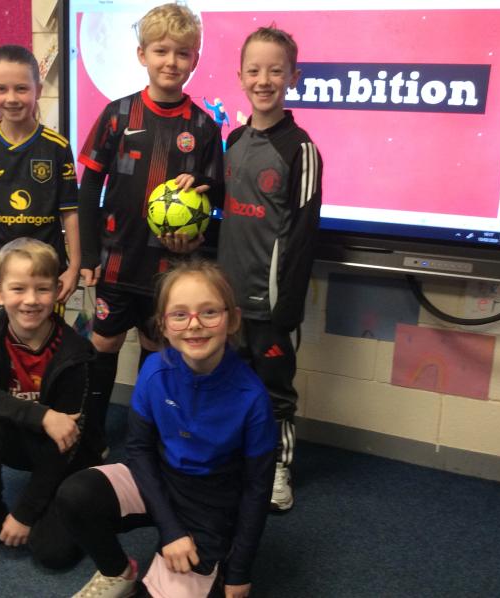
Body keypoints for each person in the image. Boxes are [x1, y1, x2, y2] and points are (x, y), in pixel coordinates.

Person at [41, 260, 276, 598]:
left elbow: (257, 489)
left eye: (209, 312)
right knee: (75, 497)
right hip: (158, 480)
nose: (194, 325)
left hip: (210, 503)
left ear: (233, 319)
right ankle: (120, 573)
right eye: (180, 314)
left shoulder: (252, 397)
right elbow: (139, 450)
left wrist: (240, 571)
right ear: (163, 325)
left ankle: (206, 563)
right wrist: (170, 530)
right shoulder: (154, 371)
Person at [77, 3, 224, 453]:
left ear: (194, 60)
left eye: (182, 53)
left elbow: (217, 196)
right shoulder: (118, 115)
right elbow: (89, 186)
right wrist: (88, 256)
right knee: (103, 343)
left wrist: (198, 224)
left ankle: (144, 438)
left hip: (169, 267)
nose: (171, 62)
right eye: (161, 51)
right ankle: (92, 435)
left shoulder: (203, 126)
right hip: (116, 259)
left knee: (157, 349)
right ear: (142, 55)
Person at [0, 238, 102, 566]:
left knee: (53, 553)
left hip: (61, 451)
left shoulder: (76, 353)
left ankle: (60, 505)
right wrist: (43, 416)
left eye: (42, 289)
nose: (30, 300)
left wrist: (25, 514)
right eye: (18, 289)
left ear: (57, 291)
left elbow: (66, 442)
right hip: (21, 434)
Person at [217, 27, 323, 511]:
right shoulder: (235, 139)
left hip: (272, 303)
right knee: (231, 384)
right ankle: (239, 459)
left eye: (276, 71)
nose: (264, 80)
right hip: (228, 300)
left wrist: (288, 307)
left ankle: (279, 467)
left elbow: (303, 235)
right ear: (240, 76)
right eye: (254, 70)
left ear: (293, 77)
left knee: (274, 390)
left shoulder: (301, 149)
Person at [0, 44, 81, 309]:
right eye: (1, 89)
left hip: (47, 268)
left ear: (39, 90)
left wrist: (75, 267)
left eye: (22, 88)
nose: (11, 98)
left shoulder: (57, 147)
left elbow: (70, 212)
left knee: (46, 331)